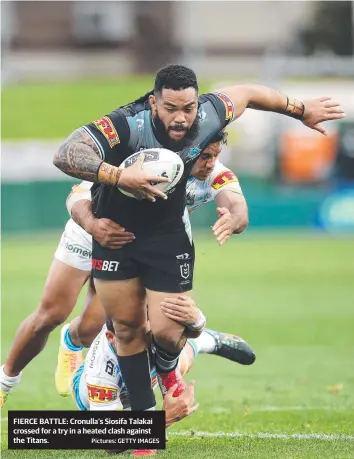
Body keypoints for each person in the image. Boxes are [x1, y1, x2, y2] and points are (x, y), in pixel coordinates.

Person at [52, 64, 345, 414]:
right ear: (153, 103)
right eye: (171, 108)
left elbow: (249, 93)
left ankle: (189, 351)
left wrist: (299, 110)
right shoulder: (127, 124)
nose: (180, 118)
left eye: (188, 109)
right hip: (116, 238)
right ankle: (145, 428)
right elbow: (66, 152)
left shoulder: (209, 114)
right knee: (128, 330)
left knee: (167, 330)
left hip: (167, 238)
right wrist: (119, 176)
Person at [0, 131, 252, 405]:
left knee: (112, 326)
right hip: (92, 231)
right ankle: (5, 382)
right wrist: (94, 226)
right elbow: (76, 196)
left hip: (138, 245)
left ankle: (193, 344)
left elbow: (236, 203)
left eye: (216, 156)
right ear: (189, 152)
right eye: (205, 156)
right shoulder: (143, 161)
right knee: (50, 314)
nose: (211, 163)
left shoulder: (215, 173)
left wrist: (235, 218)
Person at [70, 296, 251, 456]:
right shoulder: (101, 372)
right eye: (131, 339)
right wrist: (163, 420)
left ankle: (207, 340)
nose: (139, 344)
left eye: (146, 334)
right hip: (99, 400)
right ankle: (69, 341)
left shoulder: (146, 325)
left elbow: (185, 321)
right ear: (111, 337)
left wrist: (197, 320)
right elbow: (110, 444)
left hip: (144, 377)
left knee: (176, 361)